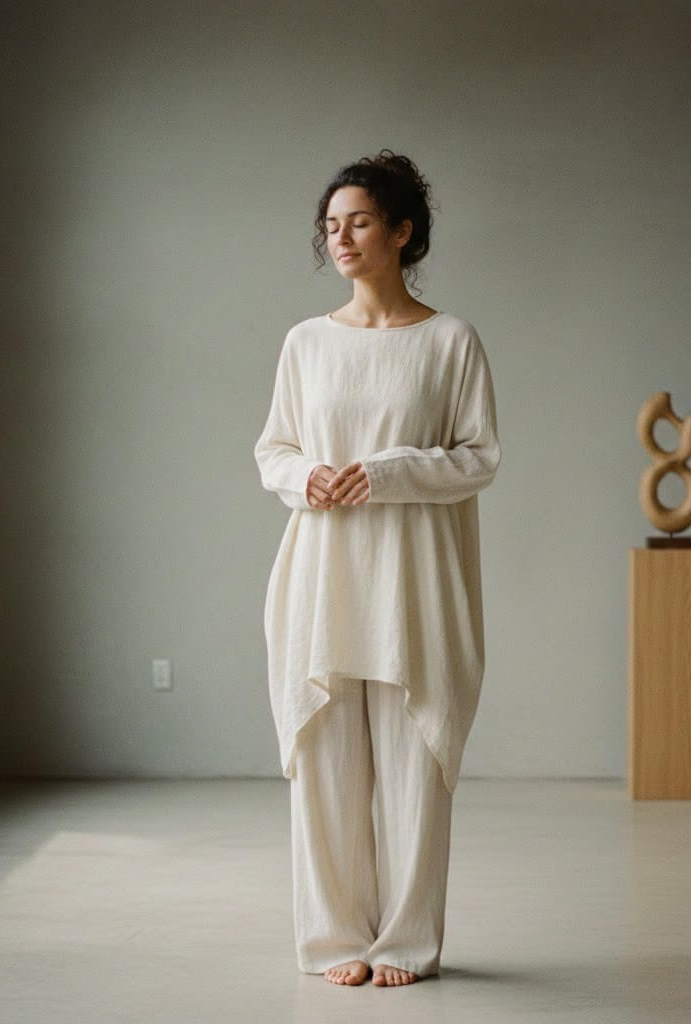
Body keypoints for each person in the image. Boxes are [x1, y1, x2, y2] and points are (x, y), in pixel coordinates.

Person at [253, 149, 501, 988]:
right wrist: (305, 475)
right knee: (324, 763)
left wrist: (388, 469)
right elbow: (273, 450)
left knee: (412, 768)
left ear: (402, 231)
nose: (342, 237)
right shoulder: (305, 343)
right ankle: (334, 942)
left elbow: (479, 458)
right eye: (332, 224)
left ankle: (403, 941)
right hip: (323, 574)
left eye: (360, 221)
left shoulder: (450, 341)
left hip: (412, 582)